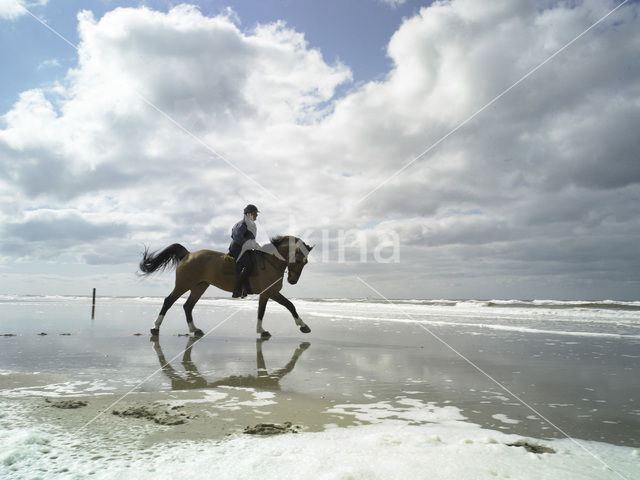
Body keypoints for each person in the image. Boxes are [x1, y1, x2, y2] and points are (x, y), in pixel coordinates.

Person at [228, 204, 260, 298]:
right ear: (249, 214)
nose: (256, 215)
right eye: (255, 213)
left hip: (245, 248)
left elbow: (250, 238)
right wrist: (250, 244)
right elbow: (237, 237)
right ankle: (237, 290)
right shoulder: (243, 223)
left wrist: (255, 245)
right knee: (249, 265)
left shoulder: (250, 224)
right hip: (237, 248)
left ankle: (246, 288)